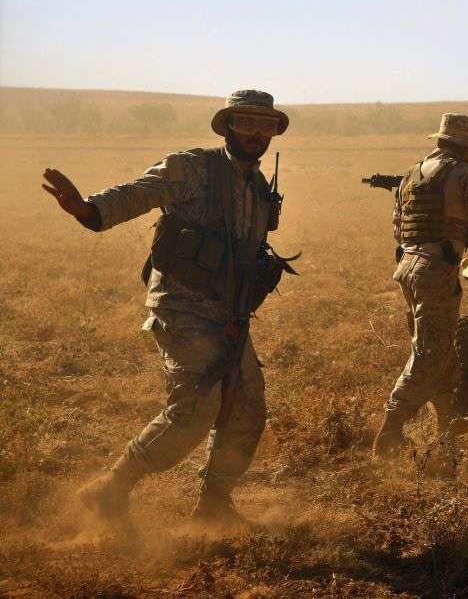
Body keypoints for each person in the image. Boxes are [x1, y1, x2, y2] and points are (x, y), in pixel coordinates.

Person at [41, 89, 289, 526]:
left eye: (265, 125)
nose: (256, 133)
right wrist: (89, 209)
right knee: (195, 410)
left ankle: (214, 505)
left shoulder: (257, 184)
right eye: (246, 123)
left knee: (248, 406)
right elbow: (141, 191)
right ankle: (109, 488)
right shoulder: (192, 166)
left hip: (230, 315)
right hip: (183, 307)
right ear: (227, 125)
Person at [373, 113, 468, 458]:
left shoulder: (410, 174)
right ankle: (390, 430)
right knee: (430, 353)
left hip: (408, 267)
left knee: (441, 347)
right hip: (436, 272)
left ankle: (446, 428)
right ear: (465, 145)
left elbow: (399, 227)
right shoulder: (466, 174)